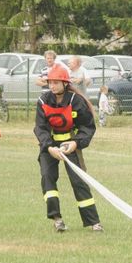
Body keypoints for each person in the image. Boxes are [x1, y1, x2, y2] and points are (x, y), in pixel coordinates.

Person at [34, 63, 103, 232]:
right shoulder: (43, 100)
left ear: (65, 83)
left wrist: (75, 143)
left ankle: (94, 223)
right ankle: (57, 219)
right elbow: (40, 128)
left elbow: (88, 127)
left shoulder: (76, 101)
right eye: (50, 82)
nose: (52, 85)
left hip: (71, 146)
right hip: (49, 147)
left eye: (56, 82)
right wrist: (49, 148)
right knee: (47, 177)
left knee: (79, 181)